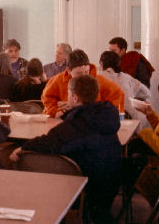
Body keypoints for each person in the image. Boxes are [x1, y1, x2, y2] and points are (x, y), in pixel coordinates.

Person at [10, 75, 122, 224]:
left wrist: (23, 147)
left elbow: (50, 141)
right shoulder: (104, 114)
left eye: (69, 93)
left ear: (75, 98)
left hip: (89, 187)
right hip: (111, 179)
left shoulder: (77, 123)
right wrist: (74, 111)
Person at [42, 49, 125, 118]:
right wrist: (56, 111)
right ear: (68, 70)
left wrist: (100, 112)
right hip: (64, 122)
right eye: (79, 73)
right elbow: (47, 99)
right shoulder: (57, 80)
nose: (84, 76)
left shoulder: (100, 81)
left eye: (86, 72)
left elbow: (119, 95)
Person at [99, 51, 151, 130]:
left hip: (109, 122)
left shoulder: (97, 77)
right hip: (133, 122)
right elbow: (147, 93)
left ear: (101, 63)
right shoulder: (126, 77)